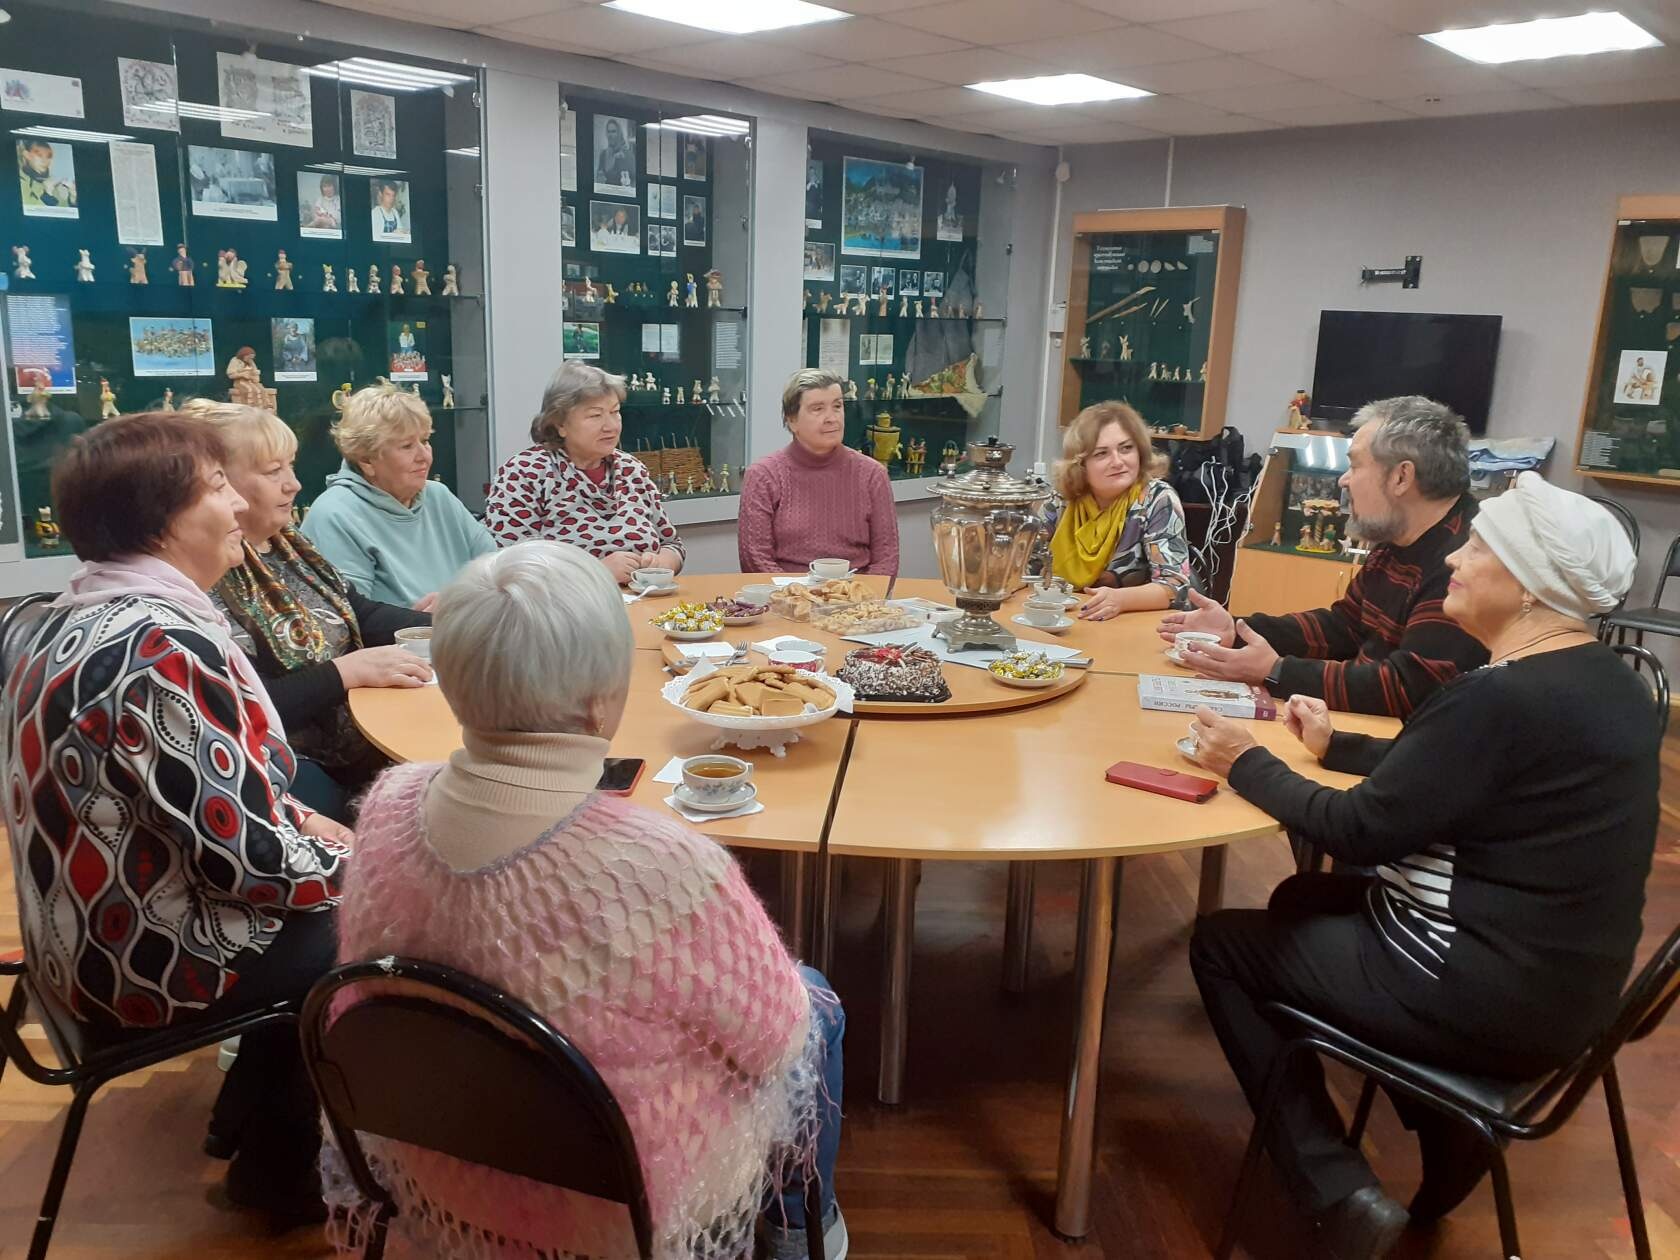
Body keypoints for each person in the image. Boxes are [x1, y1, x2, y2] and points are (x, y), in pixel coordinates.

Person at [325, 541, 846, 1260]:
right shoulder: (663, 864)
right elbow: (773, 1040)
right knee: (817, 1002)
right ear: (604, 699)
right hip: (614, 1195)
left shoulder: (386, 806)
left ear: (450, 682)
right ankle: (798, 1229)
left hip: (436, 1154)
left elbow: (370, 991)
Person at [1185, 475, 1652, 1260]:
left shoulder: (1499, 699)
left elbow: (1362, 829)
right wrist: (1341, 747)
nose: (1457, 563)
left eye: (1478, 548)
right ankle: (1449, 1127)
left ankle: (1340, 1198)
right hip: (1570, 990)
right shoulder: (1608, 683)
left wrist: (1242, 762)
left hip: (1478, 987)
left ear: (1531, 587)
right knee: (1303, 896)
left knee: (1222, 946)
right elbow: (1447, 770)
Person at [0, 413, 349, 1221]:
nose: (237, 505)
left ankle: (252, 1135)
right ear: (163, 519)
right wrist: (368, 863)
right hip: (135, 964)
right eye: (219, 485)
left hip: (73, 942)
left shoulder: (75, 613)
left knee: (326, 857)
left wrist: (299, 819)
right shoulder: (157, 643)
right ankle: (280, 1171)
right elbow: (250, 867)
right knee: (370, 922)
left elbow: (191, 792)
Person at [1160, 395, 1487, 716]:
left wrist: (1275, 671)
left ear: (1402, 477)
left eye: (1355, 465)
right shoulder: (1402, 534)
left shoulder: (1464, 563)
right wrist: (1238, 630)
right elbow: (1344, 626)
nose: (1344, 480)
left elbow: (1406, 688)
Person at [188, 401, 432, 803]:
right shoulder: (209, 572)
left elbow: (356, 610)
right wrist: (345, 672)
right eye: (273, 472)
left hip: (359, 734)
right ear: (220, 485)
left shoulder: (288, 543)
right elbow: (248, 704)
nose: (294, 484)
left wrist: (455, 624)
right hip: (293, 763)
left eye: (290, 466)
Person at [483, 363, 685, 586]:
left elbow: (672, 544)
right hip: (565, 613)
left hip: (644, 604)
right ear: (560, 424)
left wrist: (663, 562)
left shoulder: (632, 469)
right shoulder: (525, 473)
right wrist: (597, 571)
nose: (611, 426)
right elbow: (508, 567)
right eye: (595, 416)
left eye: (615, 412)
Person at [303, 382, 497, 609]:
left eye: (425, 441)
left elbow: (495, 570)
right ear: (366, 460)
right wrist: (411, 624)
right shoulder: (334, 516)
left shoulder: (439, 496)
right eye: (406, 446)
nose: (424, 456)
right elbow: (345, 621)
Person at [738, 367, 898, 576]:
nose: (831, 418)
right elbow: (755, 559)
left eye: (837, 406)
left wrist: (860, 601)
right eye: (817, 409)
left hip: (857, 600)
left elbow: (887, 558)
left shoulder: (872, 474)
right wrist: (799, 597)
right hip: (786, 598)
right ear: (791, 420)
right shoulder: (764, 476)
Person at [1046, 401, 1193, 620]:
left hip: (1134, 625)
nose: (1117, 462)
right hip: (1067, 620)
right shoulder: (1062, 500)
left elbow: (1174, 587)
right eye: (1101, 453)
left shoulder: (1156, 498)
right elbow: (1025, 568)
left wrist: (1120, 599)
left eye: (1126, 448)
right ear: (1081, 464)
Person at [17, 138, 74, 210]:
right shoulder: (20, 181)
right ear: (27, 155)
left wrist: (73, 197)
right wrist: (47, 193)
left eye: (48, 156)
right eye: (39, 155)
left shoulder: (52, 181)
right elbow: (29, 212)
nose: (45, 161)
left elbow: (63, 210)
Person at [595, 117, 634, 190]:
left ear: (619, 133)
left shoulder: (627, 154)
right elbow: (599, 178)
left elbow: (634, 180)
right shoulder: (603, 154)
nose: (610, 135)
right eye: (609, 131)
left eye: (613, 131)